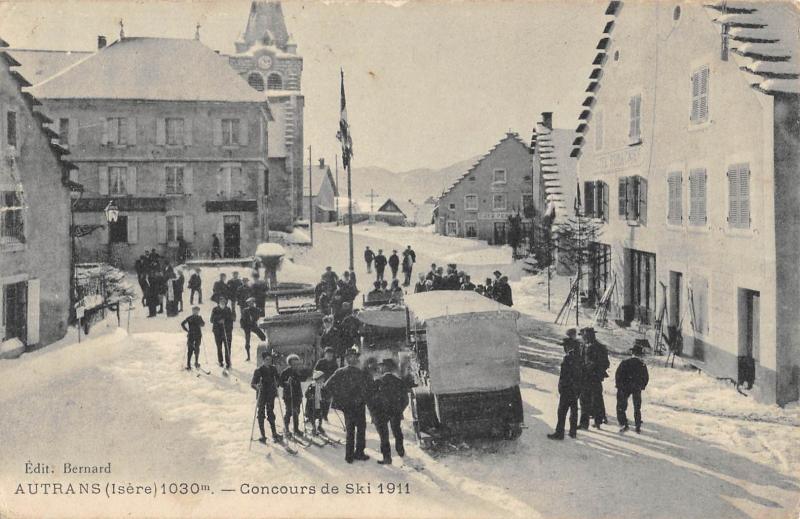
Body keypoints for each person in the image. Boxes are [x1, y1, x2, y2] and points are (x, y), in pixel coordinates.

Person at [325, 348, 373, 463]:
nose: (352, 359)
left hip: (348, 406)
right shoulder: (362, 373)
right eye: (351, 357)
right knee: (360, 430)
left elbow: (327, 386)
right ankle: (359, 453)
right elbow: (370, 389)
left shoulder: (340, 372)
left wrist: (338, 398)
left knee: (350, 431)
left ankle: (349, 456)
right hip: (358, 405)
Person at [369, 358, 408, 465]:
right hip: (395, 412)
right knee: (397, 431)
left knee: (384, 436)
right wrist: (400, 410)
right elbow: (405, 400)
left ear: (384, 367)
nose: (380, 368)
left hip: (381, 413)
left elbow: (371, 399)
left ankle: (387, 458)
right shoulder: (399, 381)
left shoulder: (378, 382)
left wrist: (374, 413)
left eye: (381, 366)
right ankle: (400, 451)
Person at [547, 340, 584, 440]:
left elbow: (564, 376)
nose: (564, 348)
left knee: (562, 411)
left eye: (565, 346)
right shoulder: (580, 358)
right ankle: (573, 432)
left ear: (569, 347)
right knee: (574, 410)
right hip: (576, 389)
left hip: (567, 388)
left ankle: (559, 433)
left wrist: (561, 387)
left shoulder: (567, 358)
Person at [579, 327, 610, 429]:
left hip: (595, 378)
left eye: (586, 336)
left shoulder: (600, 348)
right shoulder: (582, 346)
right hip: (584, 377)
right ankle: (584, 424)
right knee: (583, 400)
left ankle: (598, 422)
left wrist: (595, 367)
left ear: (592, 336)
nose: (584, 338)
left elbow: (606, 363)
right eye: (584, 336)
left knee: (596, 400)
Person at [615, 343, 649, 433]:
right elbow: (646, 377)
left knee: (621, 406)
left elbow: (618, 375)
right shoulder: (642, 365)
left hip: (625, 387)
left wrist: (619, 385)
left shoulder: (625, 362)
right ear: (640, 354)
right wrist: (642, 386)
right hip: (636, 388)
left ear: (632, 353)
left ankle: (624, 424)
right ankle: (637, 425)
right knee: (637, 407)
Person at [251, 348, 282, 443]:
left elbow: (278, 379)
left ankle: (274, 433)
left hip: (270, 394)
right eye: (267, 360)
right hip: (262, 395)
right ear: (263, 360)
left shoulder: (273, 369)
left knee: (270, 413)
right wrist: (257, 386)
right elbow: (252, 384)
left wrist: (277, 383)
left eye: (270, 359)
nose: (269, 361)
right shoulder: (258, 370)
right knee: (261, 414)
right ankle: (262, 435)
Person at [279, 354, 310, 438]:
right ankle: (286, 428)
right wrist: (286, 383)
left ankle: (296, 429)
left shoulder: (298, 371)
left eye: (297, 364)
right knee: (289, 412)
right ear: (290, 364)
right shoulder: (285, 372)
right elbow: (280, 383)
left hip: (297, 395)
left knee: (296, 412)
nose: (296, 365)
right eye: (294, 364)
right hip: (288, 395)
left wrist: (306, 369)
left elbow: (304, 378)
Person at [210, 296, 234, 368]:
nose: (223, 303)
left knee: (227, 347)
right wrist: (219, 320)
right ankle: (220, 361)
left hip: (227, 331)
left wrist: (227, 323)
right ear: (219, 302)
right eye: (221, 301)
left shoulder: (228, 309)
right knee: (219, 347)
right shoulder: (215, 309)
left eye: (224, 302)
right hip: (217, 331)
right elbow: (211, 320)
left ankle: (228, 362)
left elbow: (231, 320)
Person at [304, 371, 331, 435]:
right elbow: (306, 394)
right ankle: (313, 427)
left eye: (323, 378)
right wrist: (310, 396)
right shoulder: (312, 385)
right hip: (312, 404)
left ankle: (319, 426)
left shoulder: (323, 386)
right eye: (322, 378)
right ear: (317, 378)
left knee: (320, 416)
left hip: (320, 404)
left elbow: (327, 393)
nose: (323, 379)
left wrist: (326, 397)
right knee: (312, 416)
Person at [240, 297, 266, 362]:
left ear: (254, 303)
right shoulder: (245, 310)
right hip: (247, 327)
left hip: (253, 326)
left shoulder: (257, 310)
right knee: (247, 341)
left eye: (252, 303)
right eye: (249, 303)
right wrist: (243, 326)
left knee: (263, 337)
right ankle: (248, 356)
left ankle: (266, 351)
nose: (250, 304)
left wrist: (253, 318)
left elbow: (257, 317)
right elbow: (242, 319)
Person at [180, 306, 205, 370]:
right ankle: (188, 364)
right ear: (192, 311)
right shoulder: (189, 317)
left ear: (198, 311)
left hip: (198, 335)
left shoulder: (199, 317)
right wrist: (187, 330)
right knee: (190, 350)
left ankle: (196, 362)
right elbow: (182, 324)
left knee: (197, 349)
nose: (195, 312)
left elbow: (203, 324)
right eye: (194, 311)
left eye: (197, 311)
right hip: (191, 335)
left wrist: (200, 323)